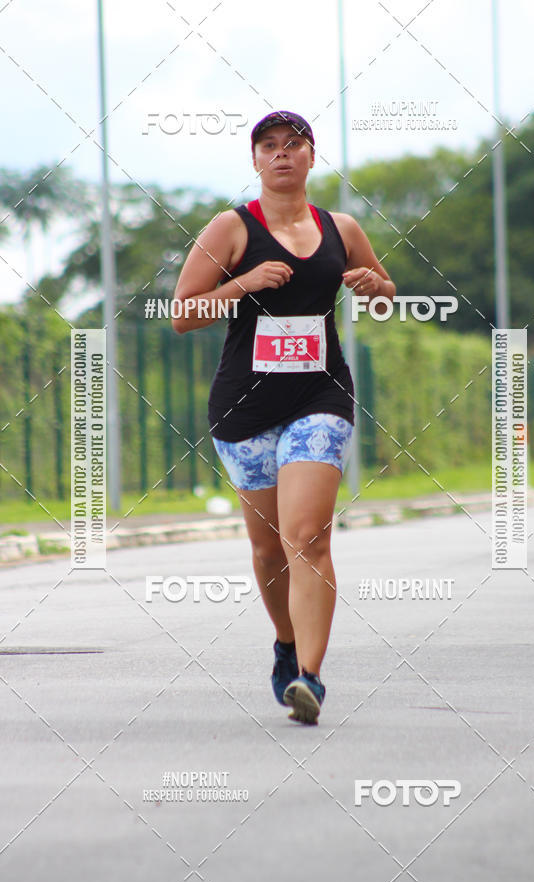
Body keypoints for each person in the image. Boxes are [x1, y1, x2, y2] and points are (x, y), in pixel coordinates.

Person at [173, 110, 395, 724]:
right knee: (269, 550)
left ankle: (310, 680)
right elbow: (183, 312)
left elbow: (384, 287)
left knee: (307, 536)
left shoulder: (341, 227)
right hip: (244, 408)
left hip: (319, 398)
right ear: (255, 161)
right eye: (268, 147)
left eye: (293, 145)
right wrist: (243, 283)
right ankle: (287, 644)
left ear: (310, 157)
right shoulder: (231, 227)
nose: (281, 155)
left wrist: (375, 287)